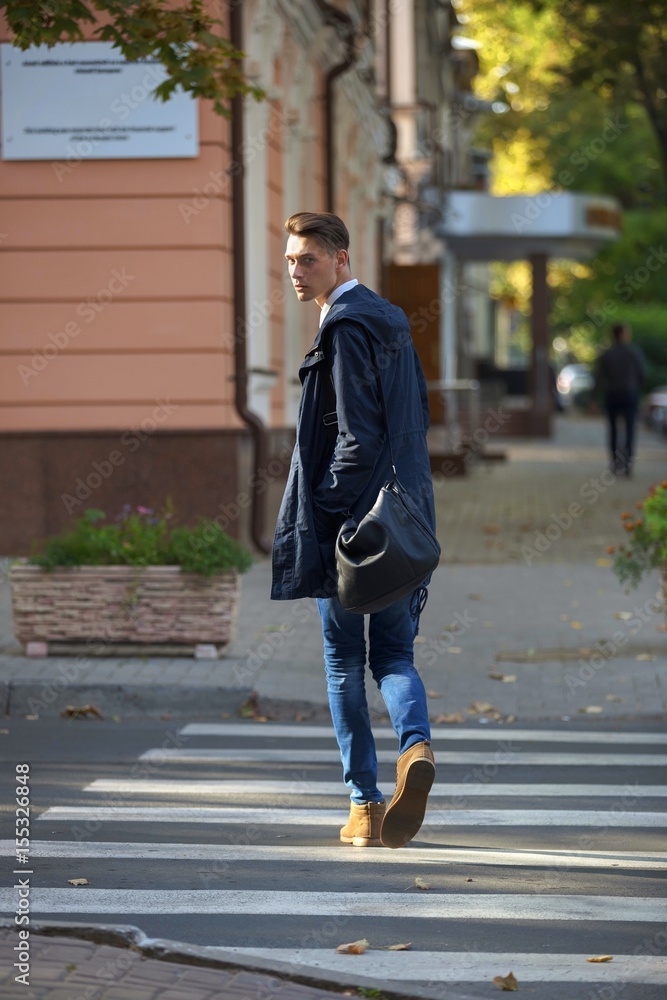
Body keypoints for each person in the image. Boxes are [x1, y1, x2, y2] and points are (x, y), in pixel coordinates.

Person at [271, 212, 436, 849]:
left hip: (353, 530)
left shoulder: (343, 326)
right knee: (395, 655)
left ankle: (364, 805)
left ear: (341, 259)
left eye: (307, 259)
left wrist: (325, 513)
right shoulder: (392, 319)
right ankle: (415, 748)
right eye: (289, 260)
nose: (295, 270)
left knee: (343, 661)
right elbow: (412, 421)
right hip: (404, 516)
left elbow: (355, 439)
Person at [595, 323, 646, 476]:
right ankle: (628, 464)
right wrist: (639, 390)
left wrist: (594, 399)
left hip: (612, 394)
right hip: (630, 394)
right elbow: (642, 374)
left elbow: (599, 378)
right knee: (630, 429)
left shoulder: (607, 353)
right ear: (623, 334)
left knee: (613, 430)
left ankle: (615, 464)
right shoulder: (634, 352)